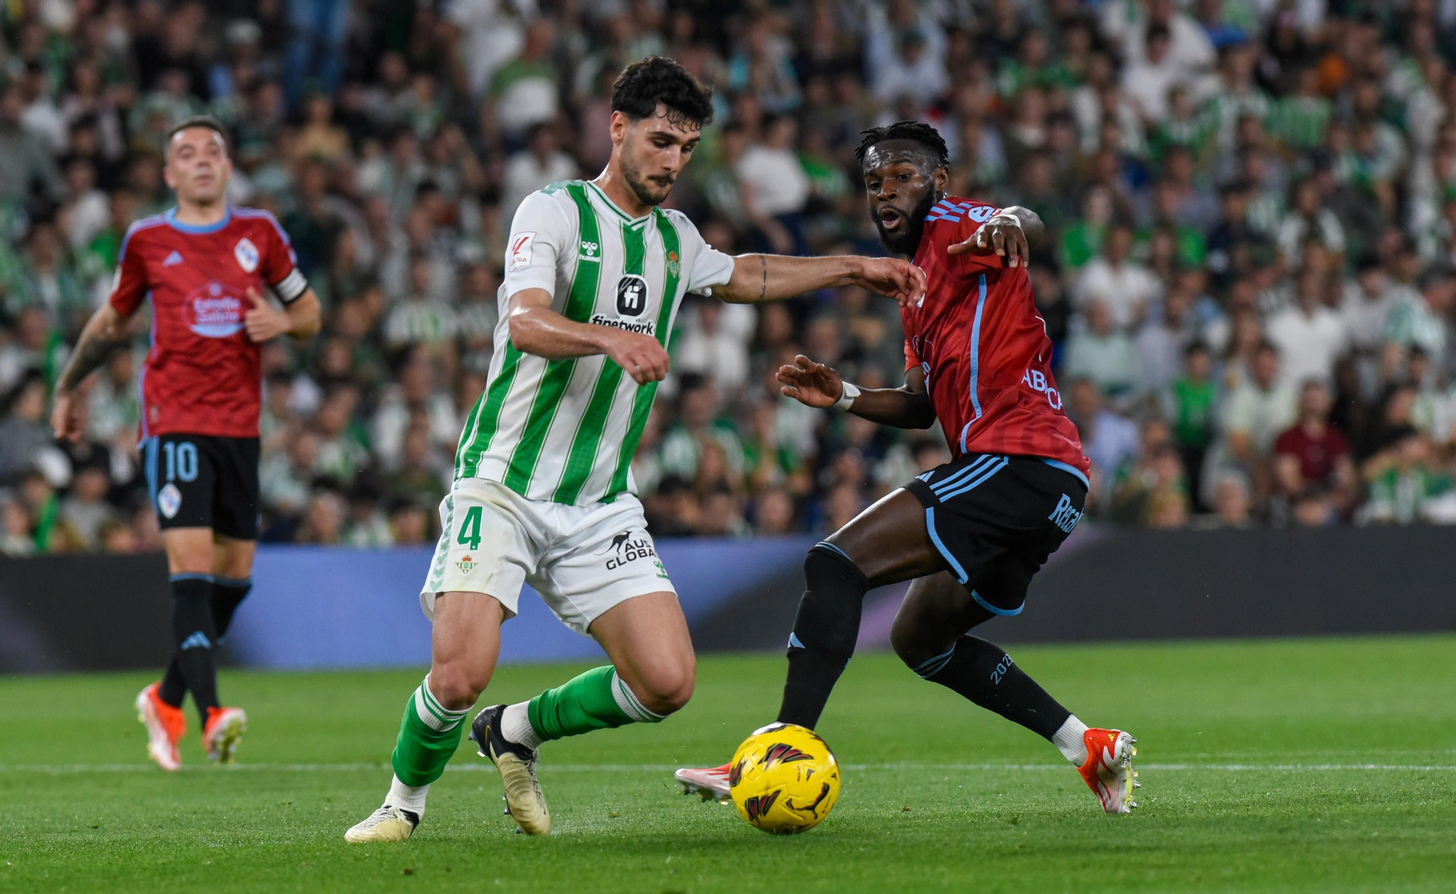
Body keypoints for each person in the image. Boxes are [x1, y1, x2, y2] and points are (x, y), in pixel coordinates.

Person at [343, 58, 924, 843]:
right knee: (458, 671)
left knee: (666, 682)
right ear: (616, 128)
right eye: (659, 141)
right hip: (503, 483)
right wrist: (610, 339)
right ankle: (401, 806)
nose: (672, 162)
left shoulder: (676, 241)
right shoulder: (551, 213)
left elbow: (748, 273)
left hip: (599, 502)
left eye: (686, 149)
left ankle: (515, 731)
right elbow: (526, 322)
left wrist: (853, 267)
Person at [674, 121, 1139, 816]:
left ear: (940, 182)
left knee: (835, 565)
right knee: (920, 640)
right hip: (1049, 483)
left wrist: (1012, 222)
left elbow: (1020, 221)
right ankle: (1088, 747)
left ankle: (780, 749)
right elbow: (922, 406)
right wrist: (847, 396)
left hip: (1018, 459)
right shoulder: (914, 288)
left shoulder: (962, 227)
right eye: (873, 181)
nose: (885, 190)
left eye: (903, 175)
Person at [49, 116, 323, 770]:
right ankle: (211, 715)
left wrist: (281, 320)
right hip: (173, 422)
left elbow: (311, 315)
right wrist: (67, 386)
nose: (201, 161)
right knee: (193, 572)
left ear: (227, 167)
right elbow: (112, 324)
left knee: (235, 581)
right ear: (169, 174)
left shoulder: (259, 234)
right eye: (186, 154)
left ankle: (164, 698)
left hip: (240, 429)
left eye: (213, 152)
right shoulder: (147, 239)